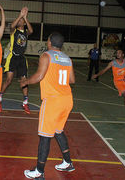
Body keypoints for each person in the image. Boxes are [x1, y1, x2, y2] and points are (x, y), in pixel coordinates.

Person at [22, 32, 75, 179]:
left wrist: (25, 81)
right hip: (67, 99)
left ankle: (39, 171)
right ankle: (68, 162)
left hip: (53, 101)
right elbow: (72, 79)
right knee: (58, 131)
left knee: (45, 136)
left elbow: (39, 76)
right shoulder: (67, 58)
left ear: (50, 42)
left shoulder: (46, 56)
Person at [92, 49, 125, 121]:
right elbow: (104, 70)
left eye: (119, 53)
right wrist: (97, 75)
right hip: (118, 82)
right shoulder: (113, 63)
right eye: (117, 53)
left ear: (123, 55)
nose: (117, 54)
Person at [1, 7, 33, 114]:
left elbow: (31, 30)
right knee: (8, 80)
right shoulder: (13, 31)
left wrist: (25, 18)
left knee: (24, 80)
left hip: (22, 58)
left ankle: (25, 103)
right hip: (13, 57)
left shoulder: (25, 33)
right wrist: (20, 15)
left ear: (23, 23)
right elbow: (12, 25)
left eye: (21, 21)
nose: (19, 21)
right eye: (19, 20)